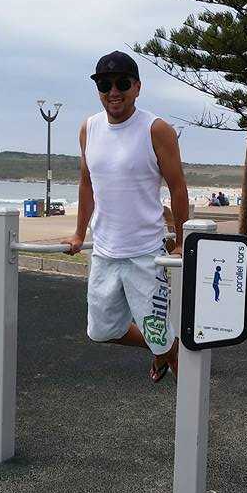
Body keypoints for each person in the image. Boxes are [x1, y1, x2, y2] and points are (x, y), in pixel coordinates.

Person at [64, 50, 189, 383]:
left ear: (137, 87)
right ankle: (169, 350)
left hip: (145, 254)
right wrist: (79, 234)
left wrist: (181, 240)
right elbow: (87, 183)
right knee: (101, 331)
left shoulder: (156, 129)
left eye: (122, 83)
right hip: (104, 252)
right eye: (105, 84)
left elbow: (177, 187)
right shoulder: (88, 129)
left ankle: (174, 363)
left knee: (158, 332)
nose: (113, 91)